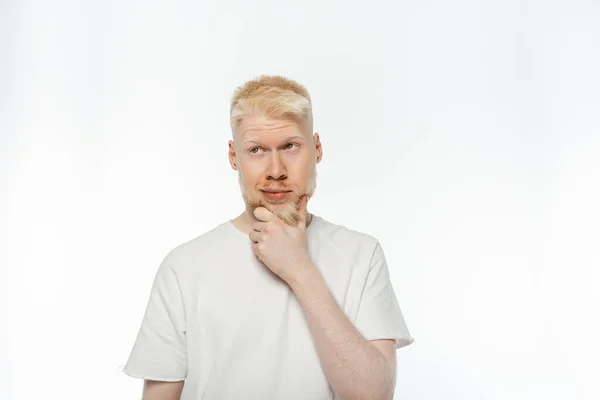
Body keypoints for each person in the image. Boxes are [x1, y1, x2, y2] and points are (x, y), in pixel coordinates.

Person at [122, 75, 414, 400]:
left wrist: (299, 269)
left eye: (290, 146)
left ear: (316, 148)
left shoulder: (361, 255)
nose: (276, 171)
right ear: (234, 157)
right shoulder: (183, 268)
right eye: (257, 150)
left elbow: (373, 396)